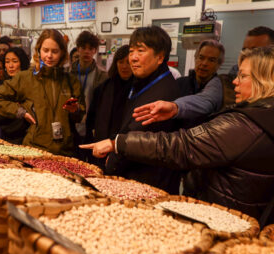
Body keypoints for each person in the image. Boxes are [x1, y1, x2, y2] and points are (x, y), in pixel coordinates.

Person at [81, 47, 274, 226]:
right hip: (236, 212)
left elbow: (181, 146)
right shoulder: (262, 116)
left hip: (224, 217)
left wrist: (118, 143)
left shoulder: (245, 125)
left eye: (243, 76)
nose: (235, 81)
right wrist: (176, 108)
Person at [104, 26, 182, 194]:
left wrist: (111, 166)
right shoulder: (143, 81)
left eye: (141, 51)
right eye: (131, 51)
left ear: (160, 57)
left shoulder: (163, 92)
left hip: (149, 182)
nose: (133, 58)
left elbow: (137, 133)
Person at [0, 29, 84, 156]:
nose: (49, 56)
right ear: (39, 50)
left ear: (62, 53)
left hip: (65, 151)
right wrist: (19, 112)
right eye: (46, 50)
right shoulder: (26, 78)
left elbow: (80, 114)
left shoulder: (71, 80)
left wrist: (75, 110)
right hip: (34, 150)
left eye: (55, 51)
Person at [133, 40, 225, 127]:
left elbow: (205, 101)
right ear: (195, 58)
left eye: (211, 60)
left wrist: (175, 107)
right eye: (201, 57)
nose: (204, 63)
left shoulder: (219, 89)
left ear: (219, 64)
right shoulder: (179, 83)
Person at [85, 45, 133, 168]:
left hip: (126, 149)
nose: (124, 66)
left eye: (128, 62)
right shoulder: (104, 88)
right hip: (101, 146)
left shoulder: (139, 89)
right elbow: (91, 119)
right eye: (121, 62)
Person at [0, 47, 30, 144]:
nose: (10, 66)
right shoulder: (1, 87)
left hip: (25, 139)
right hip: (4, 137)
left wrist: (6, 109)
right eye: (7, 62)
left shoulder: (29, 86)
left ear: (22, 63)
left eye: (14, 61)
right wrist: (16, 109)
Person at [71, 31, 107, 139]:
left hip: (92, 125)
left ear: (95, 51)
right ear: (78, 49)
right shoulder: (67, 73)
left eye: (91, 49)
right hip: (71, 124)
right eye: (83, 48)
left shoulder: (102, 75)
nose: (87, 52)